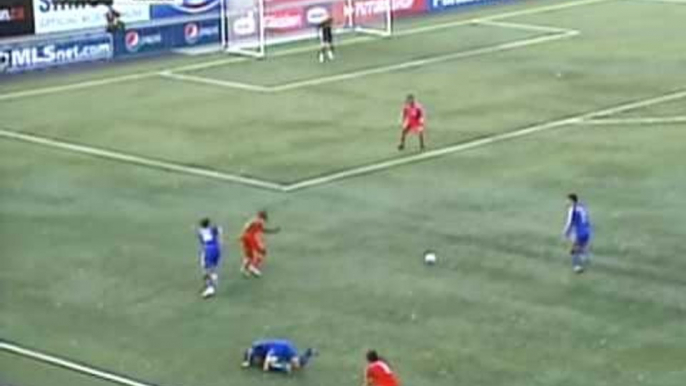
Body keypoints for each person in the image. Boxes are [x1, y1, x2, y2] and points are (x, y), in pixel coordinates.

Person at [240, 211, 279, 278]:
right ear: (262, 218)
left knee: (249, 255)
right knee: (262, 252)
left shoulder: (256, 222)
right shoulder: (257, 221)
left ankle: (244, 269)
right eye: (264, 219)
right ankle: (253, 267)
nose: (264, 221)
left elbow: (261, 229)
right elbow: (248, 225)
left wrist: (272, 231)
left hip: (246, 238)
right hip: (250, 238)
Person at [242, 339, 316, 373]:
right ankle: (309, 352)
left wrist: (265, 367)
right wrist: (266, 367)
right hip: (276, 351)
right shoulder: (290, 353)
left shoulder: (291, 352)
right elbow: (268, 358)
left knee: (272, 363)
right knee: (271, 363)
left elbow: (269, 356)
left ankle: (309, 352)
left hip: (280, 350)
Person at [563, 193, 592, 273]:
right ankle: (584, 256)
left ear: (572, 201)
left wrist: (565, 231)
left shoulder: (572, 209)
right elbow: (586, 218)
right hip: (587, 230)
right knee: (581, 246)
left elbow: (569, 222)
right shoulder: (582, 207)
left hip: (579, 232)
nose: (566, 202)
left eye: (567, 200)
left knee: (574, 249)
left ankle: (577, 266)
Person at [197, 218, 222, 298]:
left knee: (205, 269)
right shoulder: (213, 228)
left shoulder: (200, 232)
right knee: (212, 267)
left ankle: (210, 288)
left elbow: (202, 241)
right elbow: (219, 230)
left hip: (208, 249)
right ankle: (213, 277)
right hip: (217, 248)